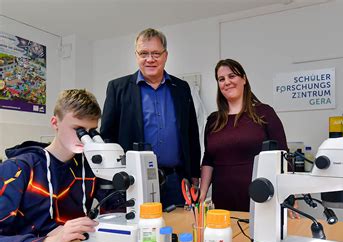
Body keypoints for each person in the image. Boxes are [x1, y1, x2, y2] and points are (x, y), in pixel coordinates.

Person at [100, 28, 201, 208]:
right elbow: (107, 136)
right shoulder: (118, 88)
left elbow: (191, 132)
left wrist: (194, 174)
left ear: (165, 55)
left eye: (156, 53)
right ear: (136, 55)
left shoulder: (182, 88)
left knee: (176, 230)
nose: (150, 59)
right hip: (133, 181)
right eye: (144, 53)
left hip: (175, 181)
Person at [0, 89, 102, 242]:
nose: (85, 138)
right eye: (78, 129)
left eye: (91, 131)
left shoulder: (89, 167)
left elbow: (118, 210)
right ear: (55, 123)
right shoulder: (18, 169)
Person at [200, 59, 287, 212]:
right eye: (221, 79)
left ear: (244, 79)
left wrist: (288, 195)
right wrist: (202, 193)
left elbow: (283, 155)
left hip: (260, 196)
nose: (226, 82)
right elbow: (208, 159)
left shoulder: (264, 113)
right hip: (222, 199)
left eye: (232, 76)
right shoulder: (214, 120)